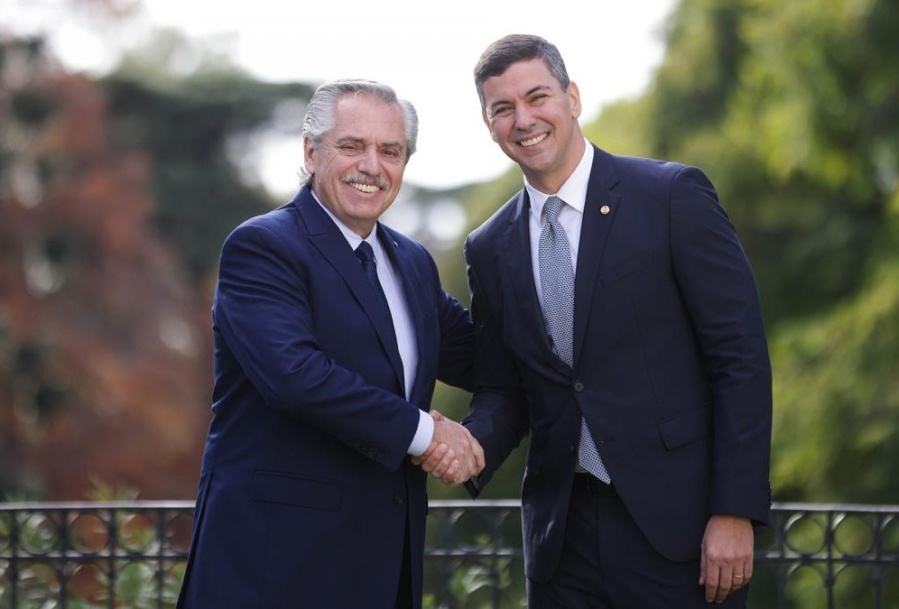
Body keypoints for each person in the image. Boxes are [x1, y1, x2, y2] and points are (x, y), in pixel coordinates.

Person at [424, 34, 773, 607]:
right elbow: (506, 390)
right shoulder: (488, 247)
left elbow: (740, 361)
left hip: (680, 531)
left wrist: (734, 510)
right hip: (562, 544)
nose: (524, 119)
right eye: (503, 108)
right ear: (488, 124)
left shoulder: (671, 196)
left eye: (537, 97)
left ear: (573, 98)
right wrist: (463, 442)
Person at [176, 78, 484, 609]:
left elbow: (482, 360)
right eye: (351, 146)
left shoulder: (412, 263)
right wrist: (426, 435)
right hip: (275, 568)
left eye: (390, 151)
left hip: (385, 566)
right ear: (310, 151)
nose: (372, 165)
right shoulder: (263, 247)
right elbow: (296, 377)